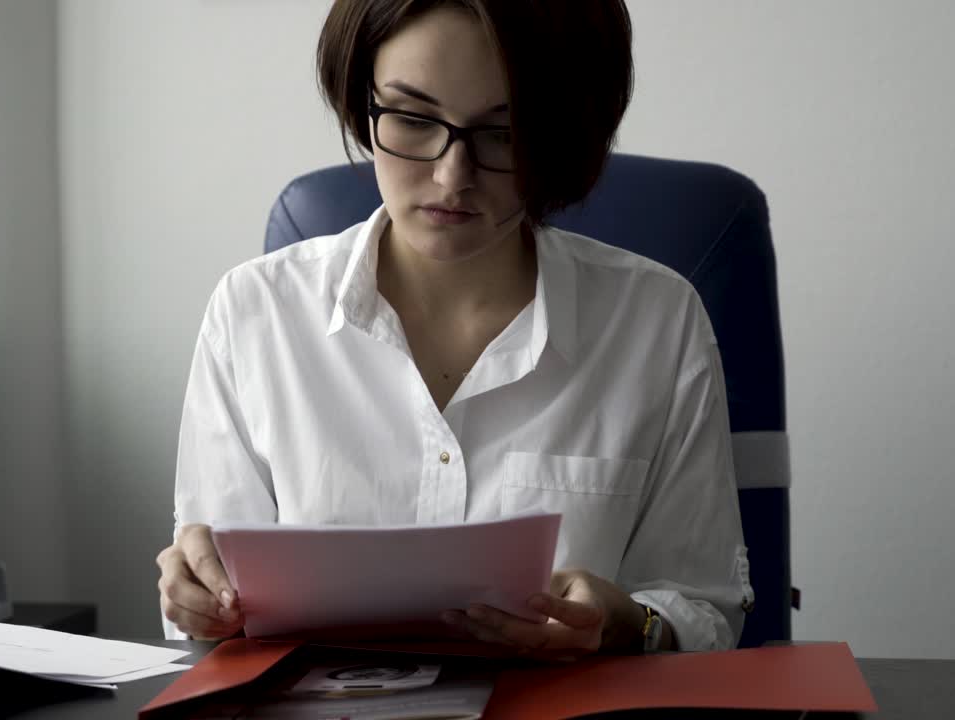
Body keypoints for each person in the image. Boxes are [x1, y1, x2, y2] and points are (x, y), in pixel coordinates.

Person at [157, 0, 753, 659]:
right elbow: (211, 601)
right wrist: (198, 601)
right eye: (413, 119)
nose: (451, 176)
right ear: (363, 103)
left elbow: (705, 614)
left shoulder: (656, 325)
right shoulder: (255, 313)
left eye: (504, 134)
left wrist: (627, 623)